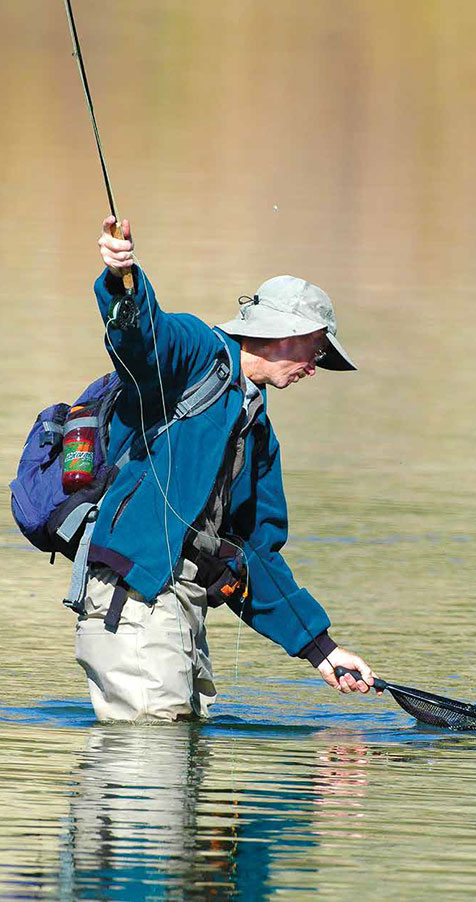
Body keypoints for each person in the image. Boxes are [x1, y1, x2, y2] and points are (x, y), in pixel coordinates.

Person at [74, 216, 376, 722]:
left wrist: (321, 648)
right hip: (136, 595)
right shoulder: (197, 351)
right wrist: (122, 278)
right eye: (318, 349)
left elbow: (256, 552)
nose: (316, 366)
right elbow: (144, 337)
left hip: (182, 606)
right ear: (288, 332)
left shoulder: (257, 432)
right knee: (153, 753)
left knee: (178, 757)